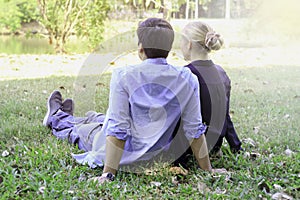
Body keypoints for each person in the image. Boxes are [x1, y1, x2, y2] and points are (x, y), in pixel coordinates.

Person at [43, 18, 219, 185]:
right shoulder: (187, 78)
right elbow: (194, 130)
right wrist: (208, 170)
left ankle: (56, 117)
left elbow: (118, 130)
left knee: (79, 131)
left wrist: (108, 174)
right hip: (156, 156)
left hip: (124, 154)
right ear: (169, 48)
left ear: (140, 49)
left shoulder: (123, 75)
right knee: (101, 119)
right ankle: (85, 117)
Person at [178, 21, 243, 159]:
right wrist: (236, 146)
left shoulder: (186, 74)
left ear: (189, 44)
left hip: (190, 146)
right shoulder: (221, 73)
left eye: (181, 42)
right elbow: (225, 115)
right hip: (214, 144)